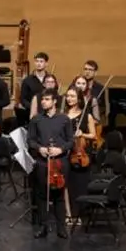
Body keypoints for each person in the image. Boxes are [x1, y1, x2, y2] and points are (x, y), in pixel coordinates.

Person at [27, 89, 73, 239]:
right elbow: (30, 140)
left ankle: (61, 228)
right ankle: (43, 226)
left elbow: (71, 141)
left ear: (54, 102)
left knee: (59, 194)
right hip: (42, 162)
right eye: (42, 99)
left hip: (60, 162)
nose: (43, 102)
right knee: (41, 195)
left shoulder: (64, 119)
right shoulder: (36, 119)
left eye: (46, 99)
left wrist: (60, 149)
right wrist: (39, 148)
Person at [62, 88, 96, 225]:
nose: (69, 99)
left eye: (72, 96)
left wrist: (82, 133)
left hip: (80, 153)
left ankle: (78, 214)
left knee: (79, 184)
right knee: (66, 184)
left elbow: (93, 135)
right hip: (65, 152)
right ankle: (68, 213)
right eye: (68, 96)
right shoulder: (62, 115)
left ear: (79, 98)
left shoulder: (87, 116)